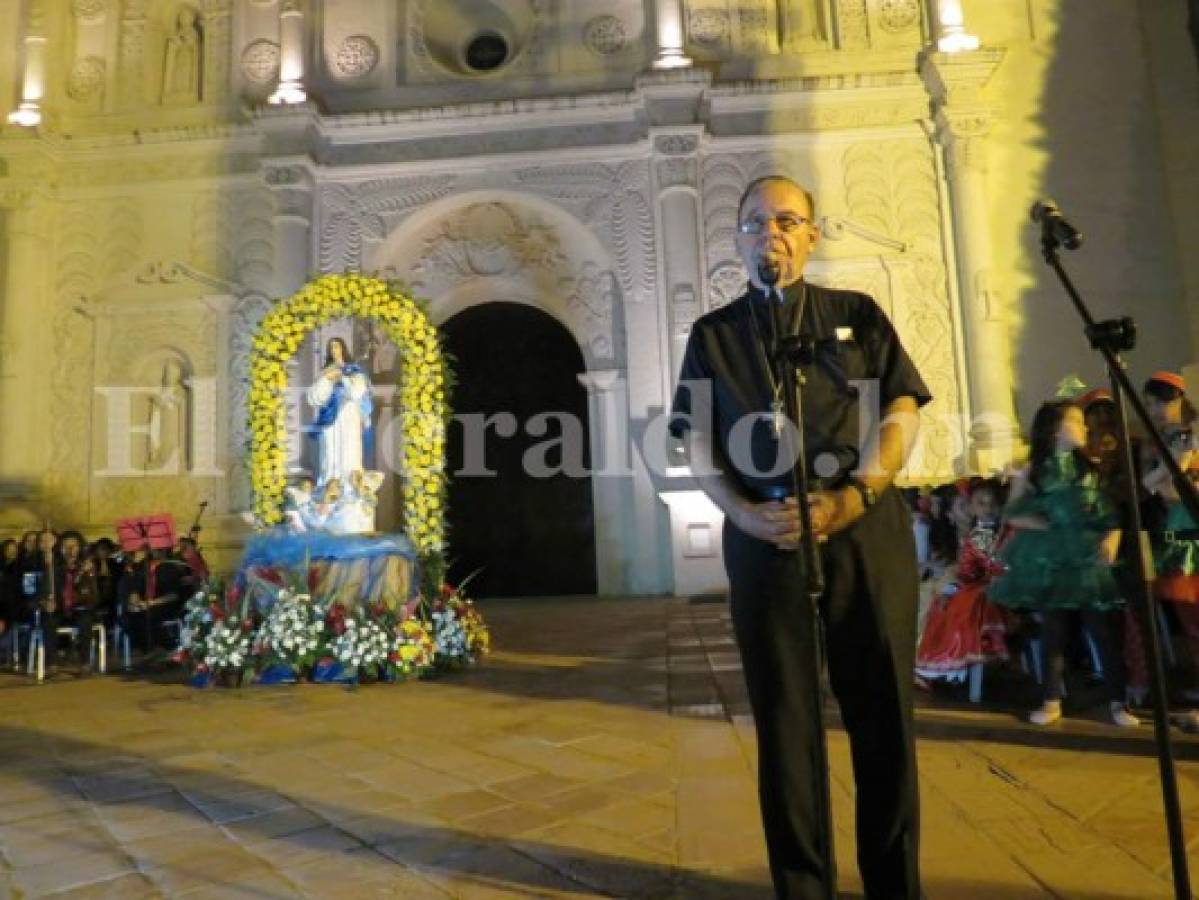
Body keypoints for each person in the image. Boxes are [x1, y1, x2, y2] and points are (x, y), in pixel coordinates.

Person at [670, 175, 928, 899]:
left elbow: (902, 408)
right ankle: (802, 886)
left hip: (863, 529)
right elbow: (691, 441)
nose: (770, 233)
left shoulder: (857, 314)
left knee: (881, 712)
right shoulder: (713, 334)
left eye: (787, 220)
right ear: (738, 241)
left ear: (812, 235)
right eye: (755, 222)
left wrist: (858, 493)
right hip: (763, 535)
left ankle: (893, 885)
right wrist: (742, 513)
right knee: (784, 720)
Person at [988, 400, 1138, 727]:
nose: (1084, 427)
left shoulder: (1091, 468)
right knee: (1054, 631)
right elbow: (1013, 513)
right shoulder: (1035, 470)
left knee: (1103, 631)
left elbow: (1112, 514)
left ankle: (1118, 702)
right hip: (1053, 559)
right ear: (1055, 429)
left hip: (1087, 558)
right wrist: (1048, 525)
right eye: (1076, 421)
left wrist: (1111, 539)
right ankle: (1051, 698)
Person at [915, 478, 1011, 684]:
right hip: (980, 583)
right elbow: (969, 568)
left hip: (1002, 585)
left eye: (992, 503)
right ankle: (950, 667)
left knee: (966, 604)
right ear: (971, 508)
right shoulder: (977, 535)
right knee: (944, 604)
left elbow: (996, 564)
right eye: (981, 504)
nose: (988, 509)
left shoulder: (1005, 531)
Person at [306, 337, 373, 488]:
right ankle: (329, 488)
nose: (334, 350)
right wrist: (327, 380)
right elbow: (313, 398)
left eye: (336, 346)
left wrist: (343, 378)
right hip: (330, 418)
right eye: (331, 348)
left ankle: (351, 489)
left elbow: (357, 393)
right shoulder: (325, 373)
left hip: (348, 415)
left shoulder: (354, 371)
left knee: (350, 452)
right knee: (329, 454)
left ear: (343, 348)